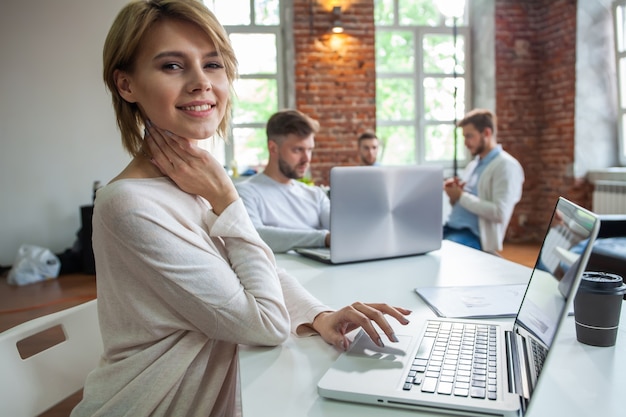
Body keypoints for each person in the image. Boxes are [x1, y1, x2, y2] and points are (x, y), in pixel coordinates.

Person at [71, 1, 411, 416]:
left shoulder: (193, 182)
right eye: (173, 66)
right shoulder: (128, 204)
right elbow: (265, 323)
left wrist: (319, 315)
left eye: (212, 64)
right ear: (126, 85)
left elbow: (257, 270)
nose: (202, 83)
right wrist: (228, 199)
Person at [236, 109, 331, 253]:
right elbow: (255, 235)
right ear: (273, 148)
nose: (307, 159)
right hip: (281, 273)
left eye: (310, 150)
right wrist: (323, 238)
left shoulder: (316, 195)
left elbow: (341, 229)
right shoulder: (246, 192)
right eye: (298, 150)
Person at [443, 108, 524, 254]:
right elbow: (465, 202)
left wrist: (461, 196)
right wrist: (454, 196)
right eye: (464, 137)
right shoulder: (473, 165)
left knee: (443, 255)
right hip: (451, 227)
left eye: (469, 136)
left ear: (486, 133)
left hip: (473, 236)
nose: (466, 143)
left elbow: (499, 213)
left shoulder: (506, 166)